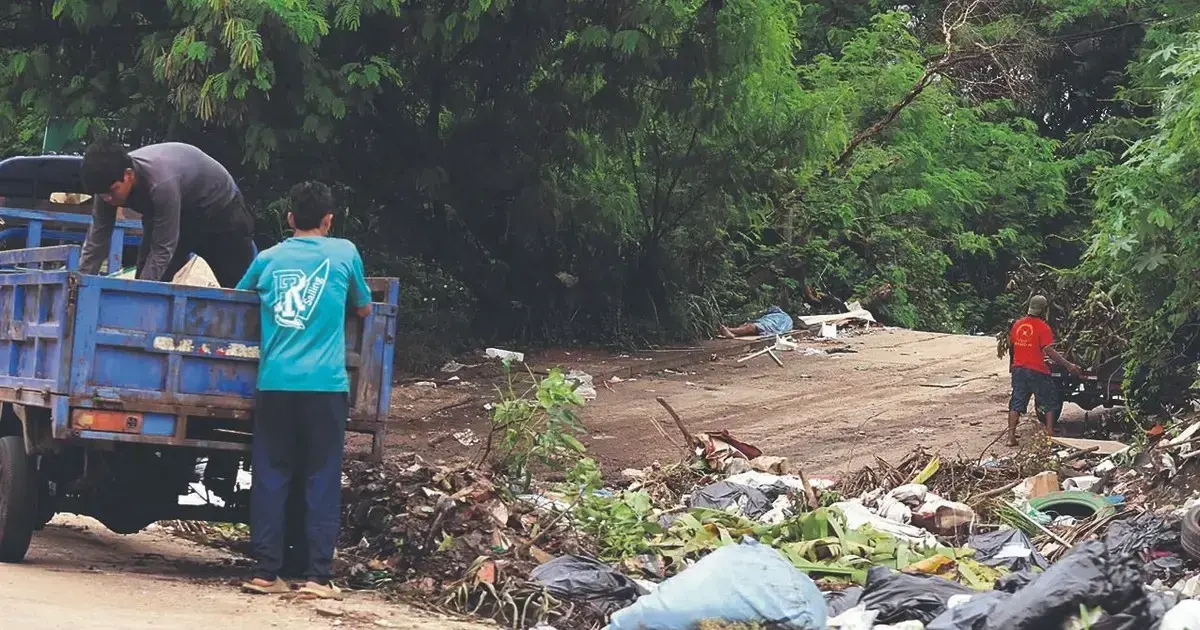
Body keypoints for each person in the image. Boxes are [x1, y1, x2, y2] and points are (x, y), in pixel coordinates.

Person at [237, 181, 371, 599]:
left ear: (290, 219)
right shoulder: (345, 252)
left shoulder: (268, 258)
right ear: (329, 221)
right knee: (321, 477)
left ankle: (265, 573)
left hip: (274, 384)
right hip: (325, 387)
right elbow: (365, 307)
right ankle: (317, 578)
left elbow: (238, 297)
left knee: (272, 476)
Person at [79, 140, 256, 287]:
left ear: (129, 174)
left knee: (240, 286)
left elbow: (163, 249)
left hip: (220, 211)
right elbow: (96, 242)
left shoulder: (161, 183)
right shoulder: (105, 190)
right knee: (146, 273)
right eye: (102, 195)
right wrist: (80, 286)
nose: (108, 199)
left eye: (113, 191)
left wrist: (140, 292)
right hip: (175, 211)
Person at [1008, 295, 1081, 446]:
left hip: (1019, 369)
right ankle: (1049, 433)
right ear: (1044, 310)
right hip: (1036, 370)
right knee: (1050, 400)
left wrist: (1012, 365)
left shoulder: (1017, 325)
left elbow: (1012, 346)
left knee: (1016, 403)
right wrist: (1068, 365)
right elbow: (1049, 350)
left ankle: (1011, 437)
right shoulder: (1043, 327)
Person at [718, 306, 794, 338]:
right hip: (767, 324)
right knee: (748, 327)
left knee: (750, 327)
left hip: (768, 325)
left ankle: (730, 330)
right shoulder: (775, 315)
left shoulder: (783, 316)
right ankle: (731, 332)